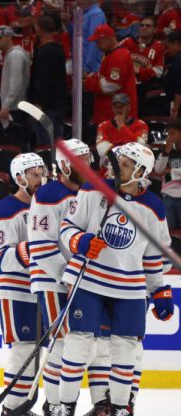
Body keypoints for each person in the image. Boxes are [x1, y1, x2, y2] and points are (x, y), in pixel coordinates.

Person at [57, 142, 173, 416]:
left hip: (130, 289)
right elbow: (67, 227)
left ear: (141, 171)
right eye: (118, 160)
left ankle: (121, 409)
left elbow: (152, 257)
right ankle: (65, 407)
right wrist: (79, 241)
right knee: (79, 342)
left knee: (125, 349)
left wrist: (158, 289)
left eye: (124, 163)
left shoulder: (153, 208)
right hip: (89, 281)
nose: (115, 166)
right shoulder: (92, 189)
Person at [27, 139, 92, 416]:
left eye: (89, 158)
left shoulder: (90, 192)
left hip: (85, 280)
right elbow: (40, 245)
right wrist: (67, 275)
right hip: (53, 279)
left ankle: (70, 403)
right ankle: (53, 404)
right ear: (65, 165)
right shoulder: (47, 195)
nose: (88, 165)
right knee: (61, 343)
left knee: (82, 344)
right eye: (81, 160)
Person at [0, 153, 47, 415]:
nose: (40, 178)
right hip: (14, 287)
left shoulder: (47, 207)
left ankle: (22, 406)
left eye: (42, 172)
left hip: (40, 287)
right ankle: (12, 408)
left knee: (37, 349)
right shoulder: (6, 209)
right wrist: (32, 250)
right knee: (23, 347)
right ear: (19, 178)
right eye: (34, 174)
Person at [84, 24, 137, 126]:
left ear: (108, 39)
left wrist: (88, 82)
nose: (97, 45)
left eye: (98, 42)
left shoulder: (118, 56)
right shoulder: (113, 54)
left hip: (116, 116)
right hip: (111, 115)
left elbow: (110, 86)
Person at [28, 14, 68, 145]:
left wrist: (37, 103)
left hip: (46, 107)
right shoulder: (59, 49)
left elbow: (42, 79)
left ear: (40, 29)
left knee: (45, 145)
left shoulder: (44, 52)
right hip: (58, 104)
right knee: (57, 143)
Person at [0, 25, 30, 135]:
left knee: (15, 142)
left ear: (8, 38)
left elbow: (16, 83)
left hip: (15, 108)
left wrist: (6, 106)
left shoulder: (15, 55)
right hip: (14, 107)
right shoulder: (12, 54)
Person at [95, 93, 149, 159]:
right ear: (112, 108)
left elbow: (138, 148)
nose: (118, 110)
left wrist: (122, 127)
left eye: (122, 106)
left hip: (132, 164)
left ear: (129, 107)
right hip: (110, 165)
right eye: (116, 107)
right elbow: (102, 151)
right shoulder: (103, 126)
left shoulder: (141, 125)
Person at [120, 16, 165, 94]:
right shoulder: (127, 42)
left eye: (148, 26)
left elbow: (158, 71)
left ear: (155, 30)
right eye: (142, 25)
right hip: (125, 85)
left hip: (146, 88)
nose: (144, 27)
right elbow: (114, 59)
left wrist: (139, 71)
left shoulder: (159, 47)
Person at [75, 0, 107, 74]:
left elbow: (94, 43)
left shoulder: (96, 14)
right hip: (80, 66)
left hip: (89, 71)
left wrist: (87, 69)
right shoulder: (81, 13)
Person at [155, 119, 181, 230]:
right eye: (168, 133)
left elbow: (166, 171)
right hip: (167, 195)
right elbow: (158, 170)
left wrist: (170, 171)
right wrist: (166, 152)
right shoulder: (165, 150)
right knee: (170, 234)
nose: (170, 137)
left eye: (173, 133)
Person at [163, 31, 181, 119]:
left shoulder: (178, 60)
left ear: (176, 44)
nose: (167, 51)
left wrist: (175, 109)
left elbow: (179, 87)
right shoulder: (175, 59)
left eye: (168, 47)